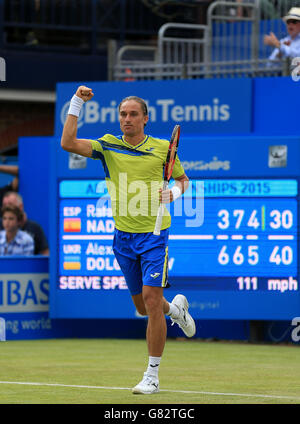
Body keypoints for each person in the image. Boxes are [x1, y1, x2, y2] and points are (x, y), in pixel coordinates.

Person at [61, 85, 196, 395]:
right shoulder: (108, 145)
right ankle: (176, 312)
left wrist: (172, 193)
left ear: (145, 118)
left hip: (154, 236)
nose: (127, 119)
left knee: (150, 300)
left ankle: (152, 375)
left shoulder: (163, 148)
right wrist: (76, 102)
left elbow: (183, 181)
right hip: (123, 239)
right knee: (143, 307)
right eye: (123, 114)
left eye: (134, 114)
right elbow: (67, 142)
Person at [1, 192, 49, 256]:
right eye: (4, 205)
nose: (7, 222)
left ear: (21, 206)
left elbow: (45, 253)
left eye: (10, 204)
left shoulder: (33, 229)